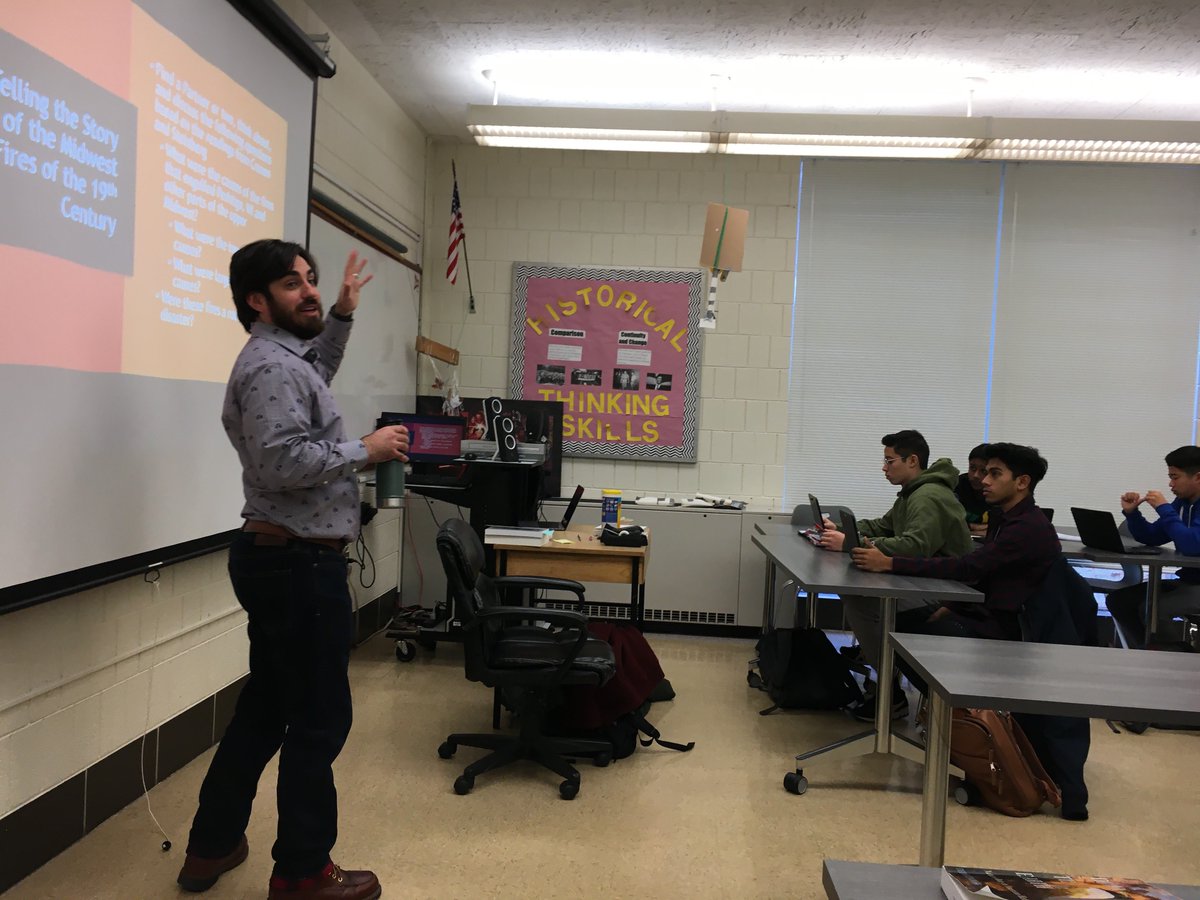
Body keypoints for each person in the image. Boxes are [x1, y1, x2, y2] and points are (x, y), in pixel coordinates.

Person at [175, 240, 409, 900]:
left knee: (266, 709)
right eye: (291, 284)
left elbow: (318, 367)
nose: (309, 290)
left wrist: (342, 314)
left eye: (311, 279)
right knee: (318, 719)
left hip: (281, 559)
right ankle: (304, 872)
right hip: (298, 566)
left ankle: (211, 846)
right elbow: (281, 462)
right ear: (257, 300)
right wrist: (366, 449)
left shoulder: (286, 361)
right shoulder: (271, 369)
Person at [818, 429, 972, 721]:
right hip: (922, 582)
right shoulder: (913, 493)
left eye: (890, 461)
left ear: (912, 461)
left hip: (946, 594)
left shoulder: (929, 496)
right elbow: (883, 526)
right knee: (859, 592)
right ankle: (877, 657)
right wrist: (843, 529)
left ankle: (890, 692)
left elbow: (915, 546)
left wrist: (851, 543)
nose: (884, 468)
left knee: (861, 599)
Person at [851, 442, 1060, 644]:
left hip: (1001, 628)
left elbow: (968, 567)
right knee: (888, 616)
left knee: (890, 622)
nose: (985, 480)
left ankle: (888, 668)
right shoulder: (1003, 518)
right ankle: (885, 667)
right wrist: (952, 606)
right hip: (979, 613)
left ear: (1022, 482)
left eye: (994, 474)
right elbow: (986, 574)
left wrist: (889, 563)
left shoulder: (1027, 528)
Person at [1106, 445, 1200, 648]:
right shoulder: (1182, 503)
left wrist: (1164, 508)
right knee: (1119, 601)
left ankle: (1172, 656)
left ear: (1198, 477)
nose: (1170, 484)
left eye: (1175, 477)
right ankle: (1150, 653)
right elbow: (1152, 536)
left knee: (1155, 609)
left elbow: (1192, 545)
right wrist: (1132, 514)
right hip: (1188, 581)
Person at [954, 443, 992, 536]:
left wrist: (969, 527)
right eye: (972, 468)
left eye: (983, 471)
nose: (976, 475)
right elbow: (949, 524)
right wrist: (975, 527)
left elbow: (1000, 528)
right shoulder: (957, 485)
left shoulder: (998, 492)